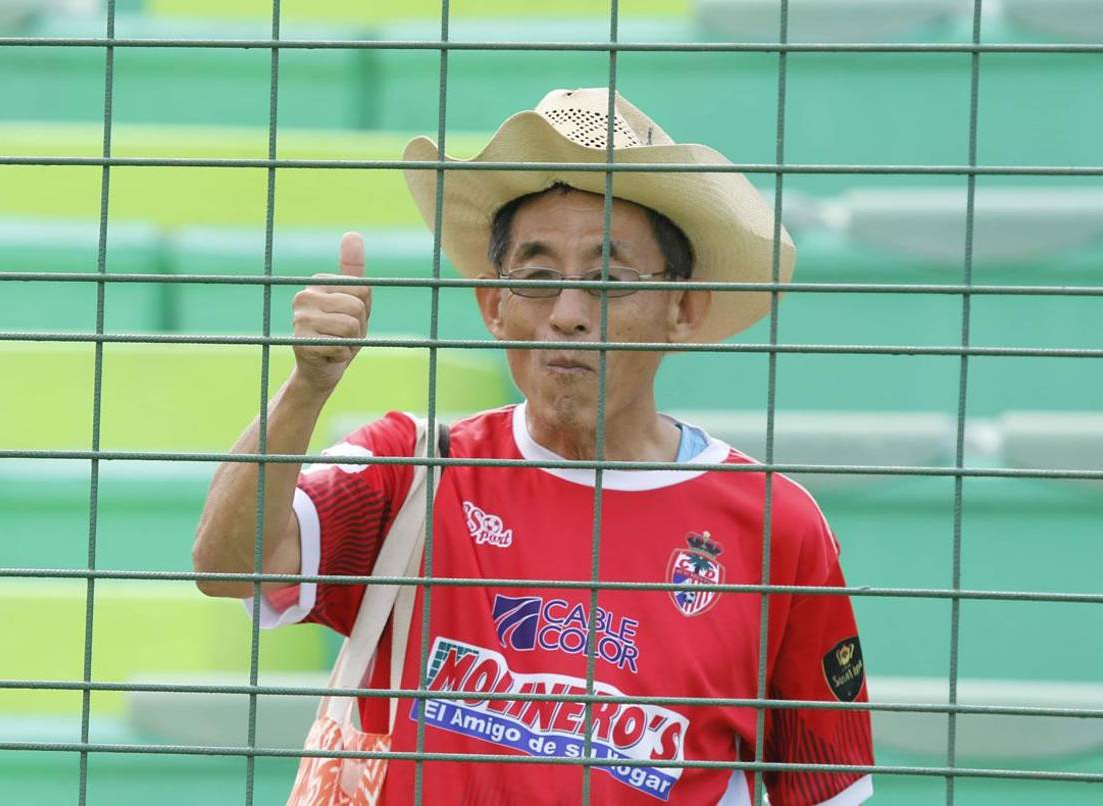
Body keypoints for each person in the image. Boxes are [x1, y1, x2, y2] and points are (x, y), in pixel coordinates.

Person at [192, 88, 873, 805]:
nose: (569, 314)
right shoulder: (412, 470)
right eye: (537, 280)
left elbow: (827, 792)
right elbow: (228, 565)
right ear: (493, 304)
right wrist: (307, 386)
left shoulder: (777, 526)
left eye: (608, 280)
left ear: (682, 309)